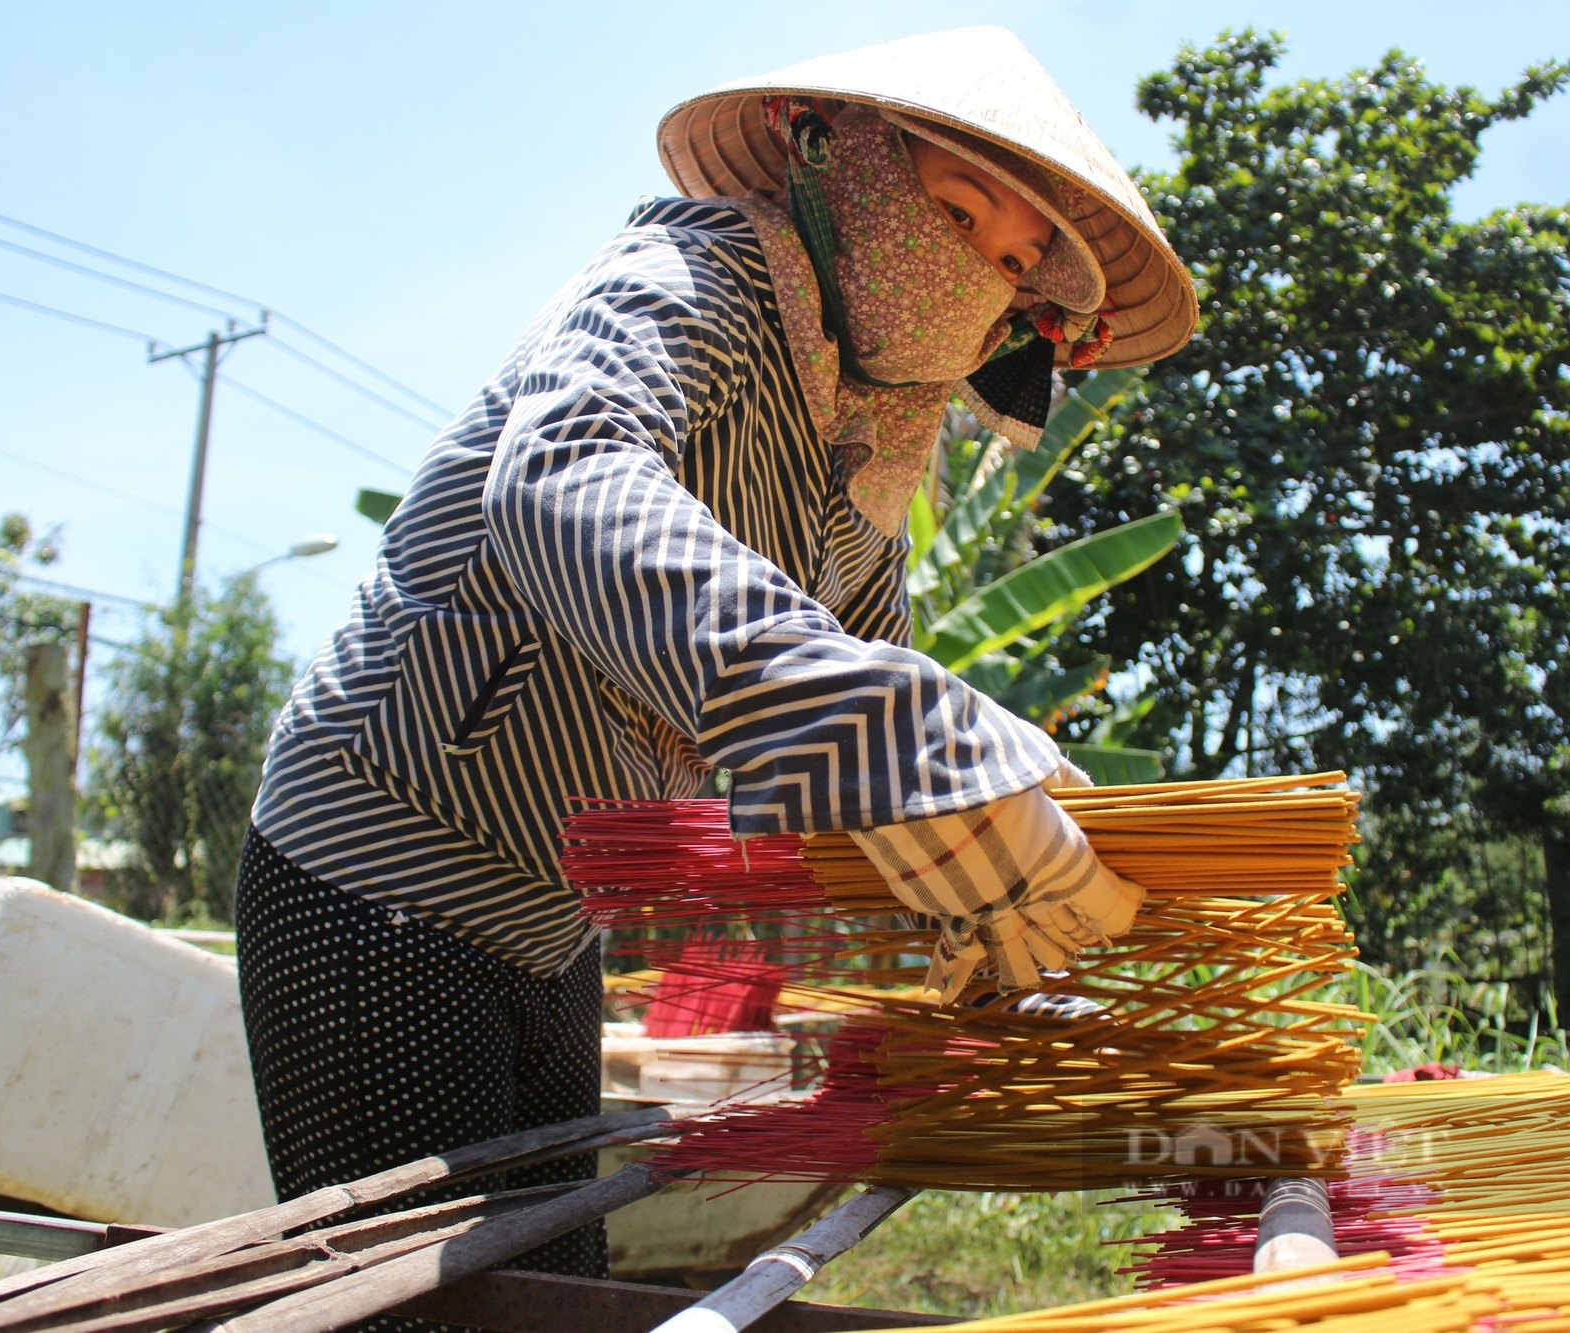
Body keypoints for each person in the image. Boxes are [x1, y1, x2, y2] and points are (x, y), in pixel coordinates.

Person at [233, 24, 1197, 1287]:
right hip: (383, 860)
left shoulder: (874, 441)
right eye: (960, 215)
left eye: (1011, 265)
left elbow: (875, 718)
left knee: (550, 1286)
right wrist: (894, 726)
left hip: (549, 917)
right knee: (432, 1311)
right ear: (840, 158)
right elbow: (565, 475)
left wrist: (991, 914)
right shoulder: (696, 274)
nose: (977, 277)